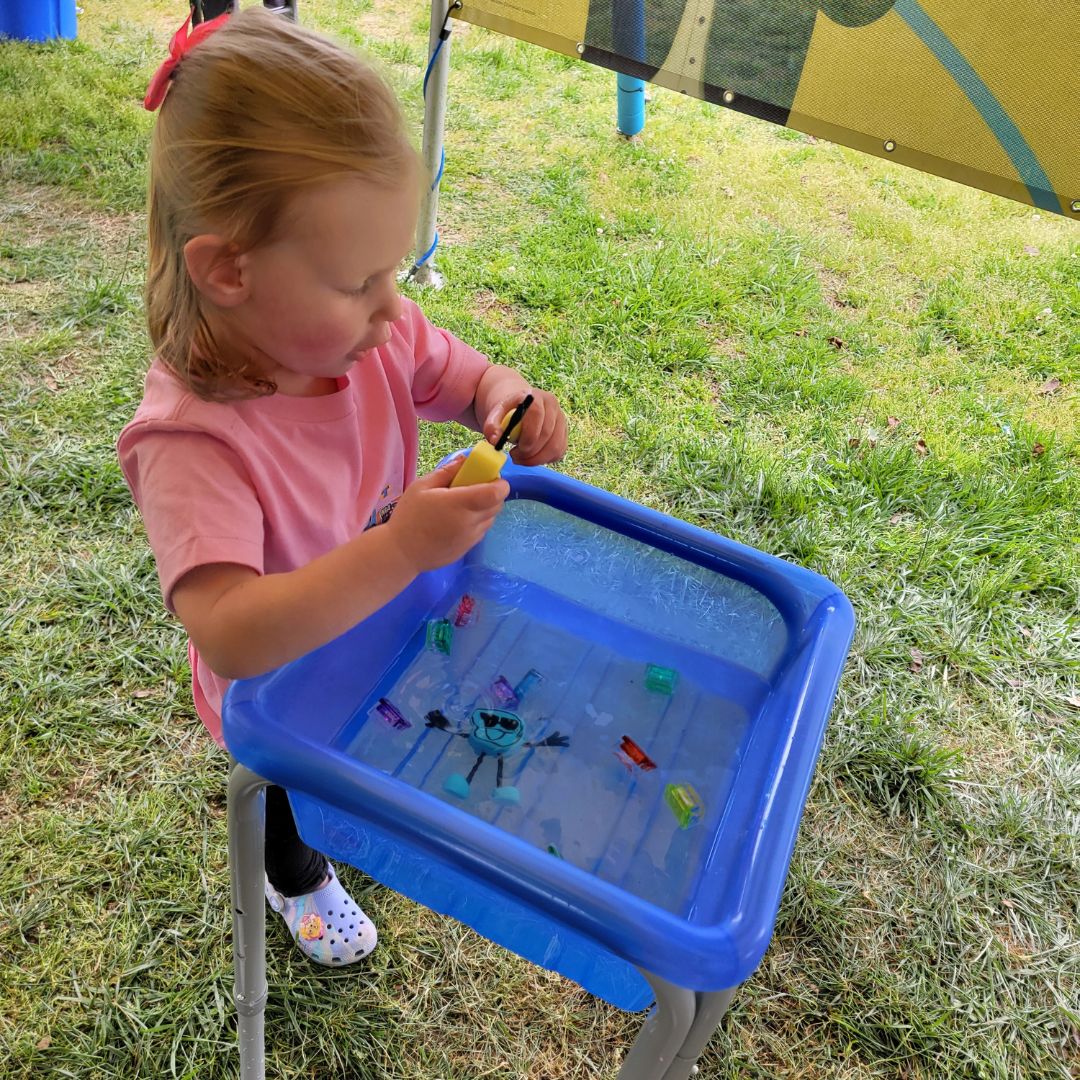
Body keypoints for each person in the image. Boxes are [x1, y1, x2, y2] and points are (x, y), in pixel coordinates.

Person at [117, 7, 568, 968]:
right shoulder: (193, 440)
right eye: (359, 280)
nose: (392, 308)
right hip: (278, 684)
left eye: (393, 272)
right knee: (292, 794)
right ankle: (295, 875)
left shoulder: (372, 337)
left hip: (383, 631)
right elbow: (231, 626)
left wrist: (504, 395)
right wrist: (403, 545)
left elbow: (453, 368)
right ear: (228, 269)